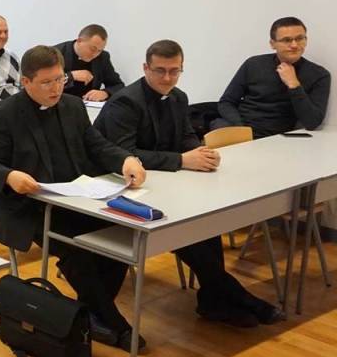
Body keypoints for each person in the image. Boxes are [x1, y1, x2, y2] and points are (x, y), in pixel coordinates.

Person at [94, 40, 284, 326]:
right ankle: (229, 296)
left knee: (206, 223)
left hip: (165, 183)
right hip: (124, 189)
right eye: (160, 71)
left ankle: (215, 299)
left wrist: (200, 153)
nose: (167, 78)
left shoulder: (178, 97)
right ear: (146, 68)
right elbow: (126, 153)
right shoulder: (126, 102)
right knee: (186, 229)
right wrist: (182, 160)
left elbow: (185, 137)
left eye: (175, 71)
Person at [0, 45, 147, 348]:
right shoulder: (2, 114)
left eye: (60, 79)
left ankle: (90, 313)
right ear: (26, 81)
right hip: (30, 206)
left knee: (119, 234)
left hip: (76, 199)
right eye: (46, 82)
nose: (56, 88)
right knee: (76, 248)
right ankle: (112, 322)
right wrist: (9, 176)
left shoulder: (72, 106)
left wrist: (125, 160)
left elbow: (96, 145)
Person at [215, 16, 330, 138]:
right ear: (272, 44)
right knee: (219, 130)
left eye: (300, 38)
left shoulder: (319, 75)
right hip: (241, 129)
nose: (294, 45)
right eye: (286, 40)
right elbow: (226, 102)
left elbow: (312, 122)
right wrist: (241, 128)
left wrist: (294, 85)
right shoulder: (253, 64)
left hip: (278, 138)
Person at [55, 24, 123, 102]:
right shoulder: (55, 53)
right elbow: (47, 83)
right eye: (92, 49)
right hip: (60, 103)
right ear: (79, 41)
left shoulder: (102, 57)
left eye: (99, 51)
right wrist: (71, 76)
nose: (95, 54)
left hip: (90, 105)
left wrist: (105, 93)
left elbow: (118, 85)